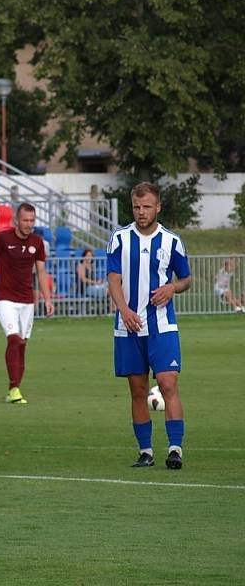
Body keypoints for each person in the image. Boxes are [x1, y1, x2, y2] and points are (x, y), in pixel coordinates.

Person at [107, 182, 192, 470]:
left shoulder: (172, 241)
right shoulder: (119, 238)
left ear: (158, 207)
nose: (141, 212)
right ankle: (145, 451)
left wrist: (172, 287)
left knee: (168, 383)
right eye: (136, 207)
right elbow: (114, 280)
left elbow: (186, 279)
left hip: (162, 325)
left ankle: (175, 449)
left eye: (146, 207)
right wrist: (124, 309)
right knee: (138, 390)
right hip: (128, 326)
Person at [0, 202, 54, 404]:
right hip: (5, 298)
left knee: (22, 345)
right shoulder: (2, 238)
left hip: (27, 301)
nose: (29, 224)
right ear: (16, 220)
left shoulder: (37, 242)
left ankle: (15, 389)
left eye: (32, 220)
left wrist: (47, 299)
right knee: (13, 339)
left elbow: (42, 272)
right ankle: (14, 389)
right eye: (25, 220)